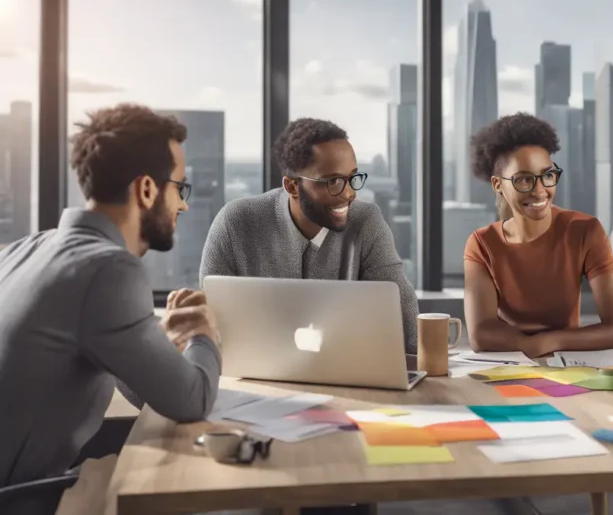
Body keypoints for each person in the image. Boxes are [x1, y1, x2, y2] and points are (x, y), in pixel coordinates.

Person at [0, 104, 221, 513]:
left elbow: (119, 366)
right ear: (147, 190)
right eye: (180, 188)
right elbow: (193, 401)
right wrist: (204, 331)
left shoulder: (23, 250)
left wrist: (157, 344)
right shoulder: (108, 269)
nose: (184, 206)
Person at [200, 118, 418, 353]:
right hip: (255, 380)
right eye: (333, 181)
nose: (349, 194)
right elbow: (208, 329)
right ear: (293, 187)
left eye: (352, 178)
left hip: (346, 380)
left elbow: (407, 329)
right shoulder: (235, 223)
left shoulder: (367, 222)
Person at [462, 113, 613, 358]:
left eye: (548, 175)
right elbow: (481, 334)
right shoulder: (482, 243)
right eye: (524, 179)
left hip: (567, 364)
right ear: (498, 184)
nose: (540, 190)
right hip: (507, 365)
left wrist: (545, 342)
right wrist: (529, 346)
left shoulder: (585, 231)